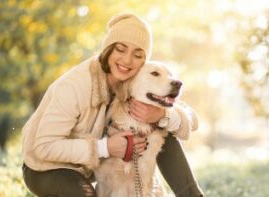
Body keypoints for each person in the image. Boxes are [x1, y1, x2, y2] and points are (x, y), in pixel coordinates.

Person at [21, 13, 203, 197]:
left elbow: (192, 120)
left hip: (91, 166)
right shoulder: (74, 86)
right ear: (108, 49)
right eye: (120, 49)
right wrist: (105, 147)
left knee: (165, 130)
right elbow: (44, 147)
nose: (127, 60)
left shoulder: (136, 79)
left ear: (143, 61)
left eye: (137, 54)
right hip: (47, 168)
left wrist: (161, 116)